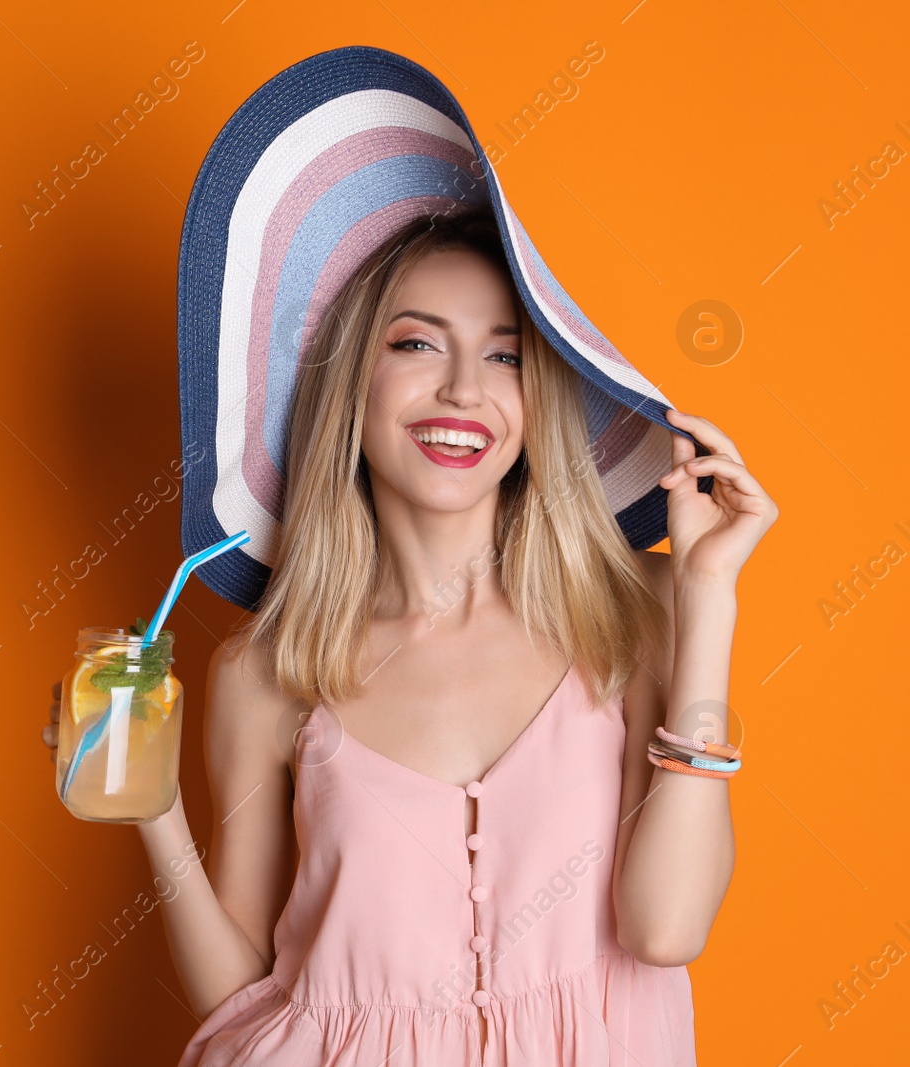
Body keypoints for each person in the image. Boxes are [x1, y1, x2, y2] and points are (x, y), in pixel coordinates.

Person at [46, 47, 778, 1066]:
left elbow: (664, 931)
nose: (461, 390)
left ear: (536, 403)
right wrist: (154, 806)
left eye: (505, 353)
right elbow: (242, 992)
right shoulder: (263, 673)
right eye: (416, 344)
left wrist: (707, 598)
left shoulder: (632, 614)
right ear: (351, 385)